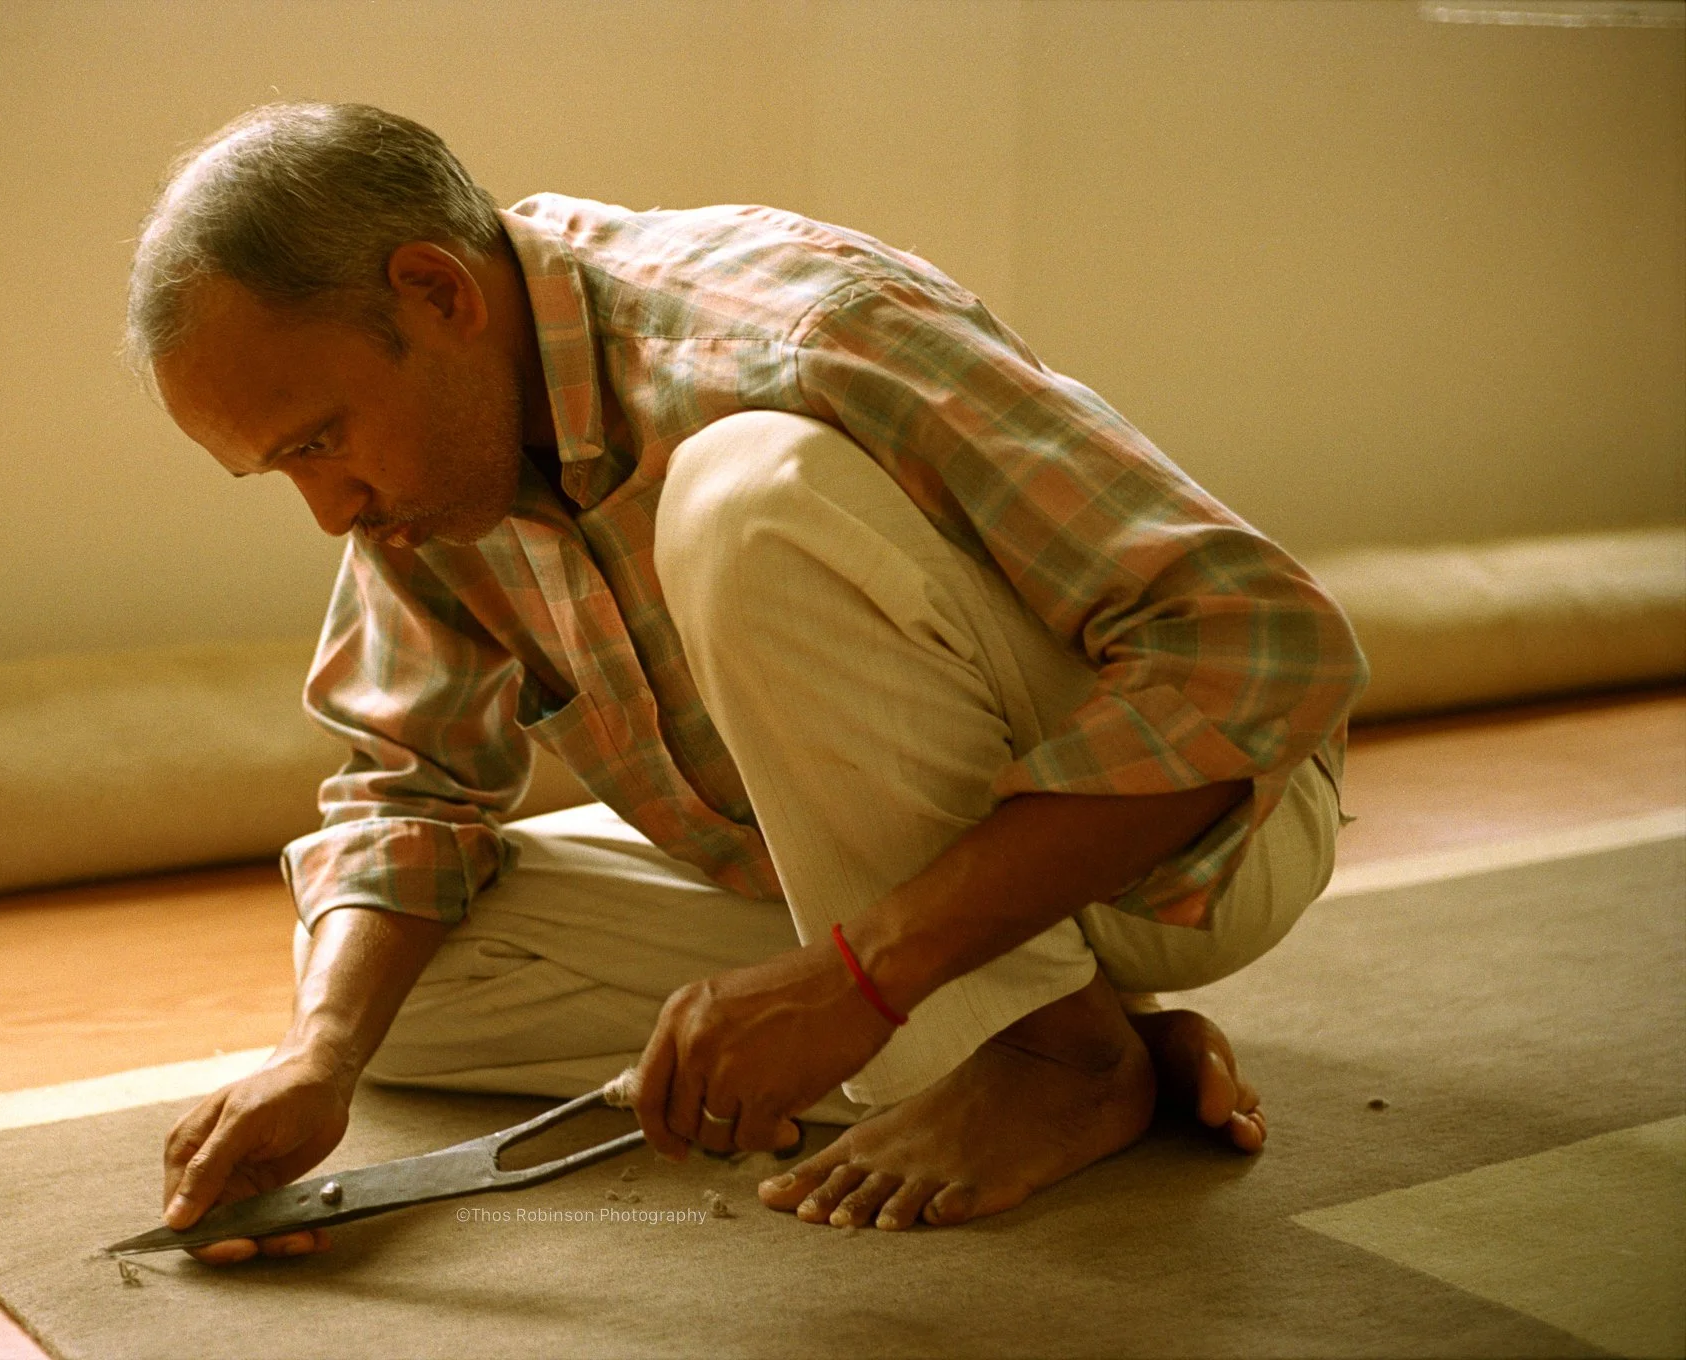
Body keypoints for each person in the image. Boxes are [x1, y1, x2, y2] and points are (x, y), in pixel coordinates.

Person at [124, 102, 1367, 1265]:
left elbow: (1255, 649)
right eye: (280, 472)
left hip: (1205, 838)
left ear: (437, 291)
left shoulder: (789, 332)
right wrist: (318, 1056)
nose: (329, 510)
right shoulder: (428, 486)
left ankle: (1050, 1055)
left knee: (744, 496)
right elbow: (407, 791)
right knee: (408, 995)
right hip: (834, 873)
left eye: (319, 442)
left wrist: (859, 975)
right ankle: (1082, 1034)